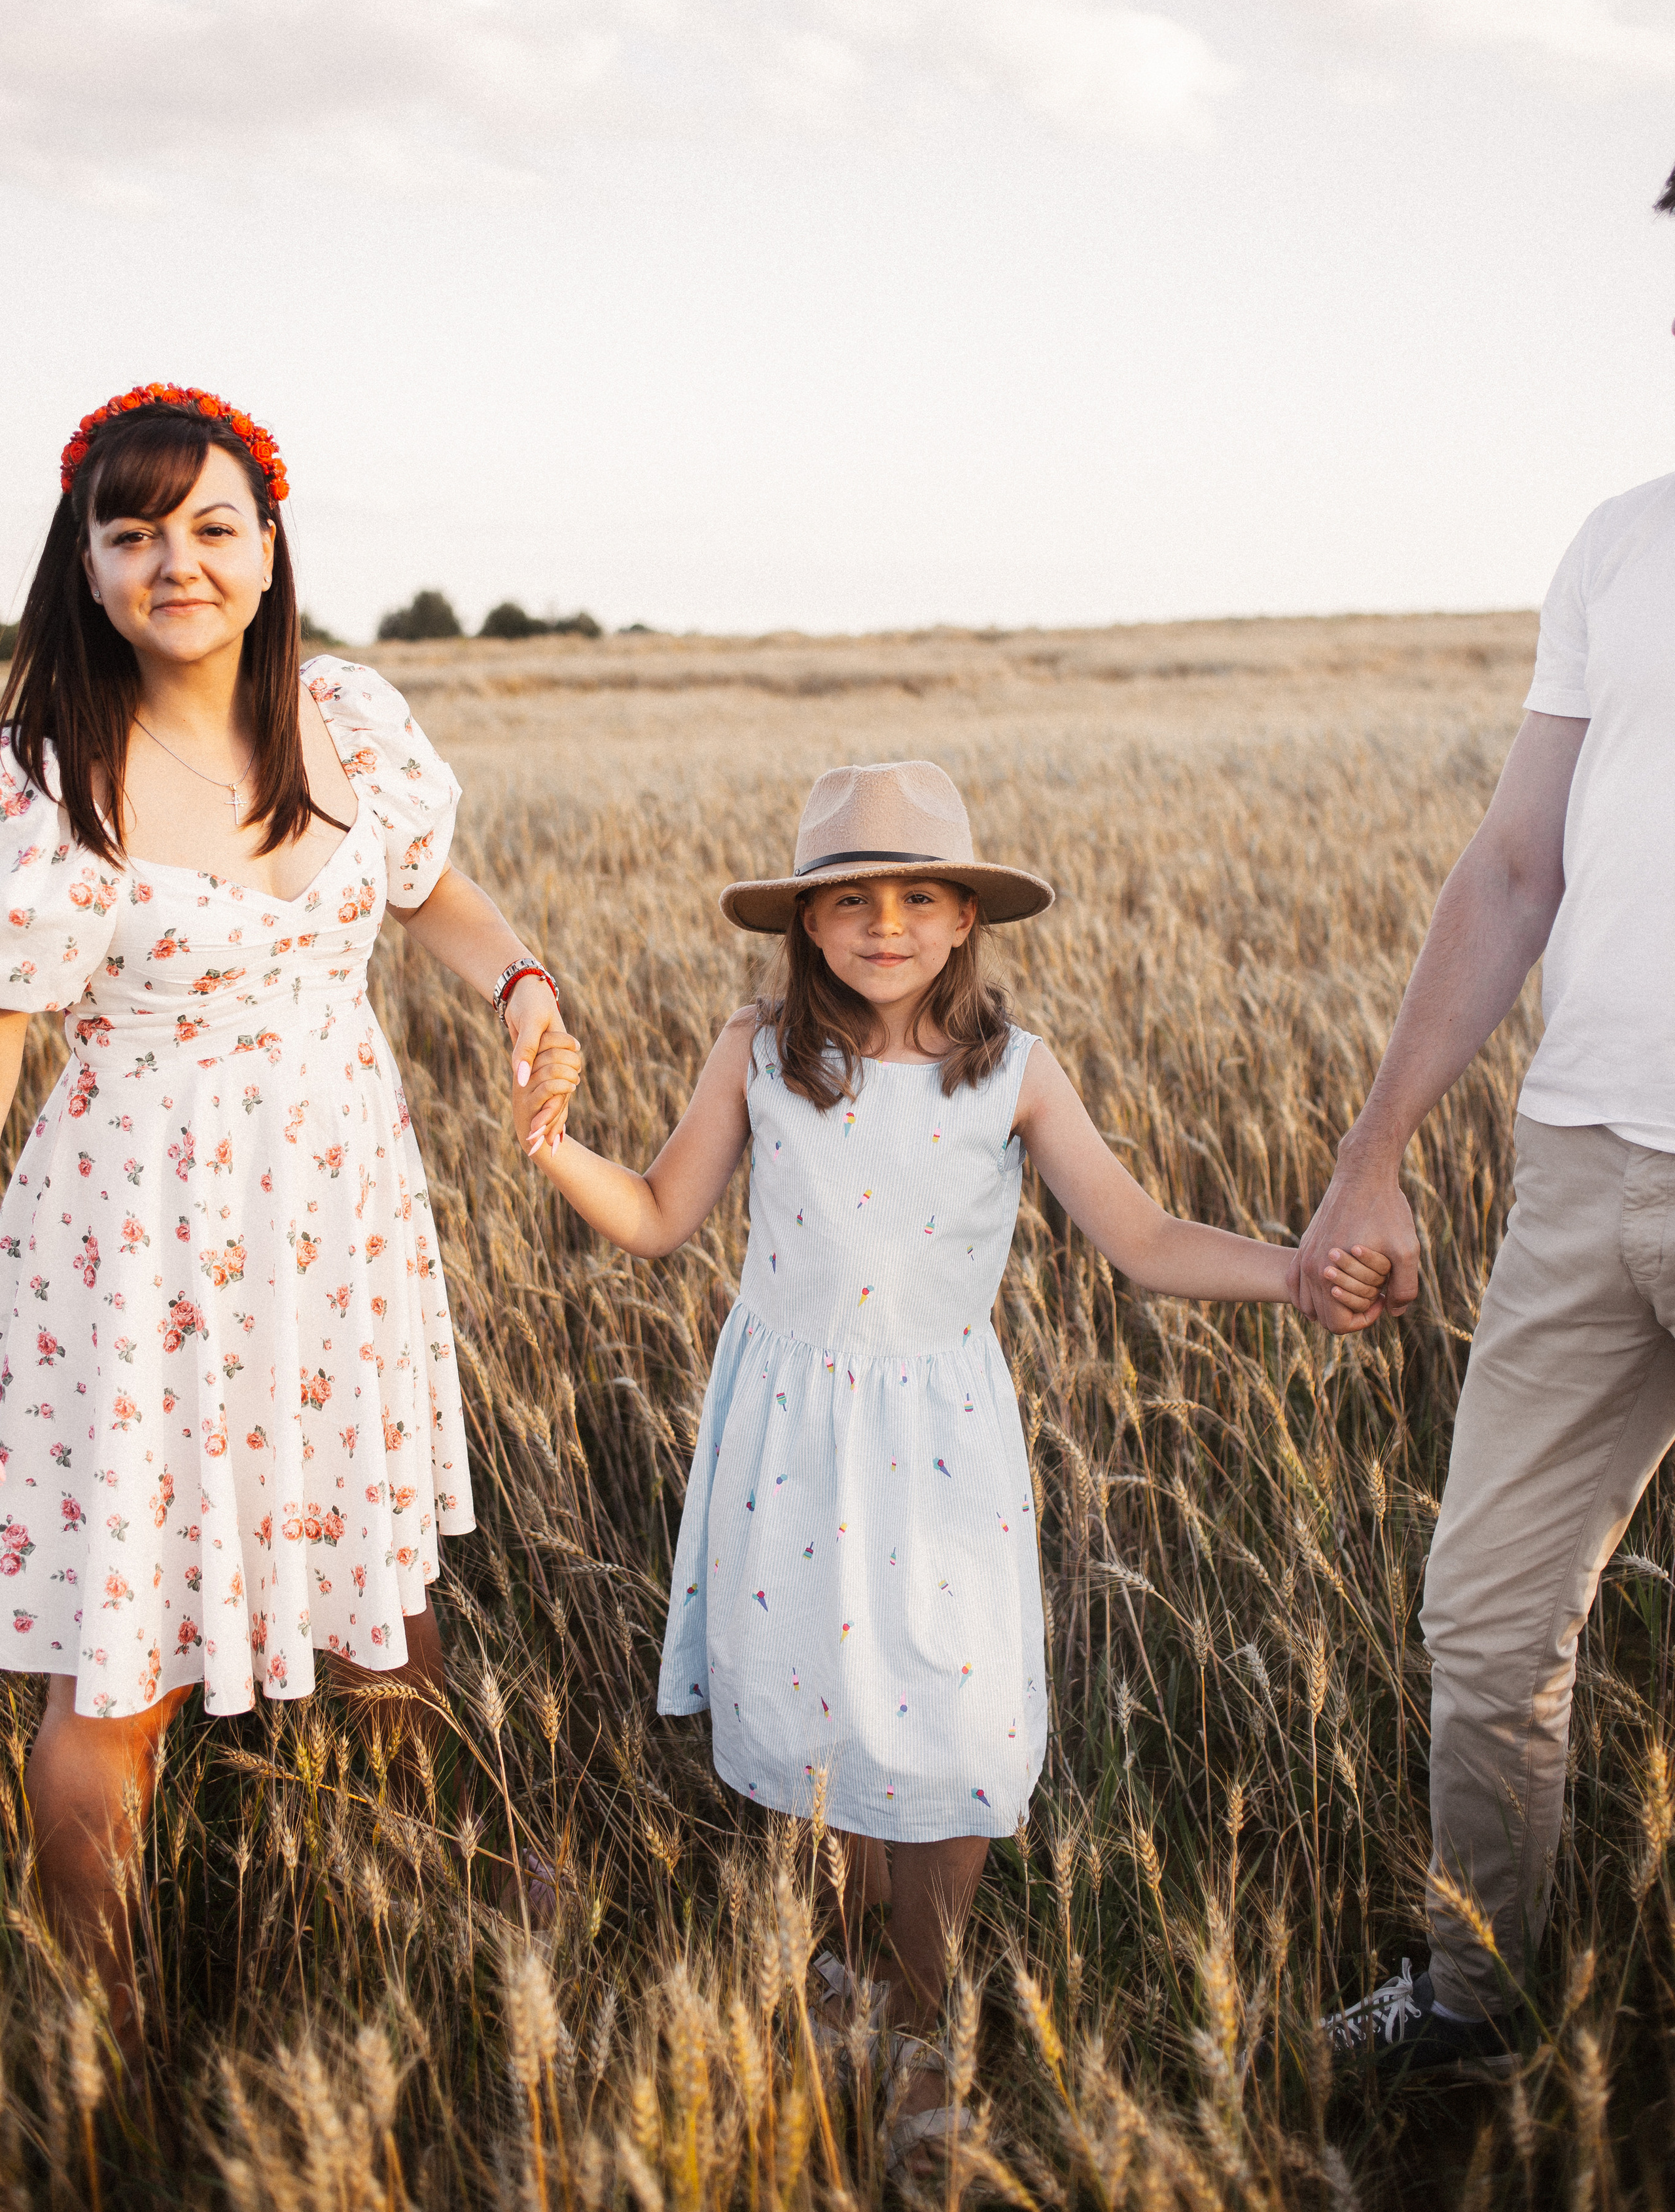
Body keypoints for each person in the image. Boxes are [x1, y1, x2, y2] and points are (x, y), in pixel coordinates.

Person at [515, 758, 1388, 2164]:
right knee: (828, 1724)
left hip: (941, 1446)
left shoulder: (1012, 1071)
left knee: (958, 1725)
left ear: (966, 916)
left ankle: (916, 2011)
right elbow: (661, 1216)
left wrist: (1292, 1275)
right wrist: (554, 1149)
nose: (885, 924)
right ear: (802, 922)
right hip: (790, 1446)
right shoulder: (757, 1052)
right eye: (850, 899)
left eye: (919, 896)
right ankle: (871, 2001)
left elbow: (1145, 1237)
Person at [0, 382, 582, 2047]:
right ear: (89, 563)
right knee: (117, 1667)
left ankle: (467, 1890)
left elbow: (432, 895)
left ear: (268, 546)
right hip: (135, 1251)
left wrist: (523, 988)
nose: (174, 562)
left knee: (382, 1607)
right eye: (132, 534)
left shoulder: (348, 717)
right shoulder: (45, 770)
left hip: (335, 1216)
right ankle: (105, 2047)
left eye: (208, 526)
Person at [1296, 162, 1675, 2073]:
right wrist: (1375, 1151)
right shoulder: (1625, 542)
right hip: (1587, 1162)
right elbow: (1515, 866)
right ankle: (1477, 2011)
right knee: (1489, 1622)